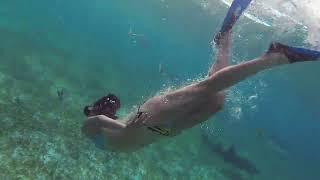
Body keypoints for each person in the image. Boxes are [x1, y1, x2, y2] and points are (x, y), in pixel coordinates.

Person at [82, 0, 320, 152]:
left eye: (107, 109)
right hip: (164, 127)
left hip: (153, 114)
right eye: (107, 109)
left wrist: (129, 127)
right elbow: (132, 132)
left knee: (207, 89)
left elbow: (106, 124)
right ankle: (224, 39)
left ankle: (274, 58)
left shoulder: (97, 126)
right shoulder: (101, 131)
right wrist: (170, 132)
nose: (108, 110)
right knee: (216, 102)